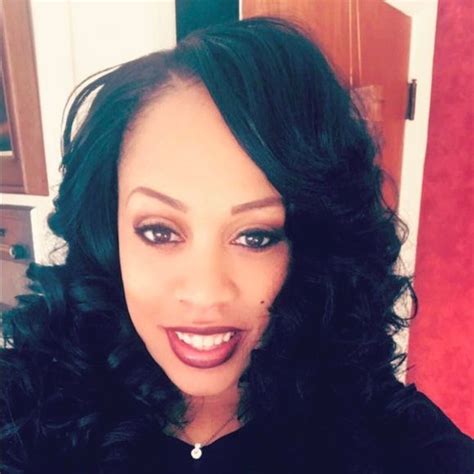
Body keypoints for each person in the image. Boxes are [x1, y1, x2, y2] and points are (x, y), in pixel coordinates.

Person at [0, 16, 472, 474]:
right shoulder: (21, 411)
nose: (205, 294)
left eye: (255, 236)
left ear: (312, 245)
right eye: (160, 231)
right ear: (108, 232)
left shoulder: (397, 444)